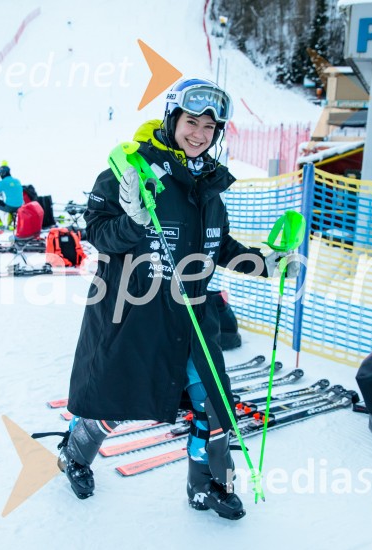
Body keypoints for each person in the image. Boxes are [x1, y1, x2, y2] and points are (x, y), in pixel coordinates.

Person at [60, 78, 299, 519]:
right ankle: (74, 454)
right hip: (133, 315)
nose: (200, 133)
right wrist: (132, 221)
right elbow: (98, 236)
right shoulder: (129, 170)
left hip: (194, 318)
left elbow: (217, 246)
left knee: (214, 403)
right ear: (173, 118)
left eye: (210, 126)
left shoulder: (207, 183)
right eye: (192, 121)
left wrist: (267, 263)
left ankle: (207, 485)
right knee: (113, 400)